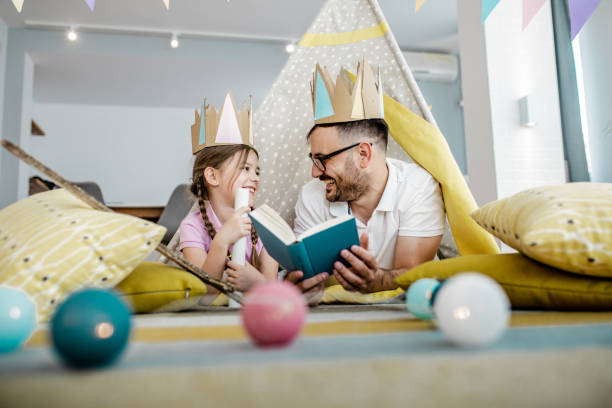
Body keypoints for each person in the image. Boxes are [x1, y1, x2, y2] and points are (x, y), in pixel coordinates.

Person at [286, 60, 445, 302]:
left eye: (322, 159)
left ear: (363, 154)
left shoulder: (418, 187)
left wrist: (378, 281)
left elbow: (413, 275)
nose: (315, 173)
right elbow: (308, 274)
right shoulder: (311, 195)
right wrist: (296, 283)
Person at [179, 92, 278, 294]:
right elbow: (205, 293)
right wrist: (222, 240)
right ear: (213, 176)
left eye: (257, 171)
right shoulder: (192, 226)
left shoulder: (267, 223)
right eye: (245, 168)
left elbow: (273, 293)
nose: (256, 177)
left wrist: (257, 282)